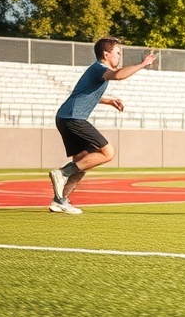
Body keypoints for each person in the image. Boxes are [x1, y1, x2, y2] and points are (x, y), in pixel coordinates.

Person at [48, 38, 156, 214]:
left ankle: (59, 200)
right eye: (118, 52)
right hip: (73, 118)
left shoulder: (96, 71)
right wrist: (143, 63)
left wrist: (108, 100)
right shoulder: (100, 68)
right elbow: (118, 75)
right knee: (108, 152)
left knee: (83, 162)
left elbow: (82, 93)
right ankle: (63, 173)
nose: (120, 56)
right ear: (106, 54)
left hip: (65, 117)